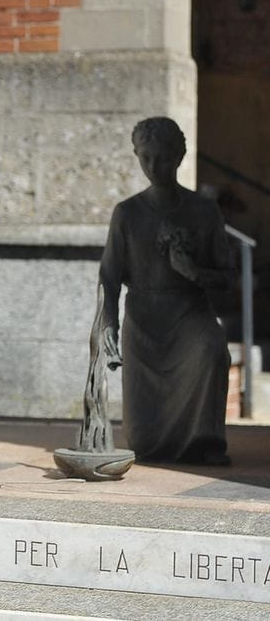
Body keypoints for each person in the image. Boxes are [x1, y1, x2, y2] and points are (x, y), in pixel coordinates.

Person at [99, 116, 233, 466]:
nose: (154, 166)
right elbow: (109, 275)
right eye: (145, 157)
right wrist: (108, 323)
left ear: (179, 157)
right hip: (144, 318)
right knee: (143, 443)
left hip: (190, 313)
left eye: (162, 158)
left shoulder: (204, 211)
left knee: (211, 347)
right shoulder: (127, 213)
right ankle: (152, 438)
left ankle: (205, 442)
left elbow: (227, 277)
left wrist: (194, 272)